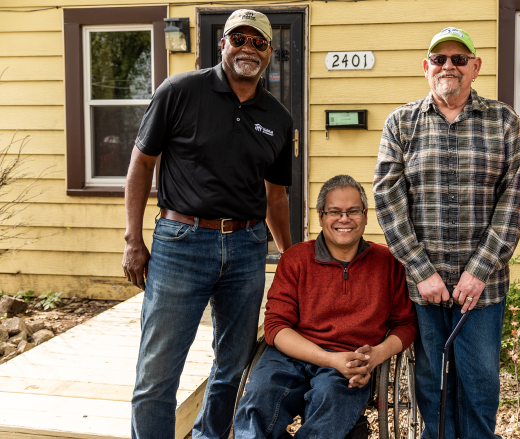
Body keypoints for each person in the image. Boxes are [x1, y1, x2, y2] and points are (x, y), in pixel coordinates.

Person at [122, 9, 293, 439]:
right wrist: (133, 239)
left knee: (232, 367)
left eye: (258, 42)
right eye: (239, 38)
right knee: (157, 374)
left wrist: (291, 259)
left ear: (269, 52)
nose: (247, 49)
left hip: (247, 247)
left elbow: (276, 195)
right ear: (223, 43)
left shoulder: (277, 117)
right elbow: (141, 163)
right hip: (181, 242)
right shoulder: (179, 90)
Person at [374, 27, 520, 439]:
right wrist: (421, 271)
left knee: (479, 386)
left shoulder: (504, 121)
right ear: (426, 68)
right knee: (432, 383)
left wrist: (478, 271)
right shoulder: (401, 123)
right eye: (439, 59)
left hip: (483, 288)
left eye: (459, 59)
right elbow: (389, 201)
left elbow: (514, 201)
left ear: (475, 68)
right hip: (424, 288)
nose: (449, 66)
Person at [233, 175, 418, 439]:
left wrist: (374, 356)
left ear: (365, 216)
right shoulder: (296, 259)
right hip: (291, 354)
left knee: (331, 402)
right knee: (260, 398)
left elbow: (406, 323)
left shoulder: (388, 263)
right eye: (334, 212)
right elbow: (276, 326)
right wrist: (330, 359)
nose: (344, 219)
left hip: (350, 358)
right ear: (321, 216)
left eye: (353, 211)